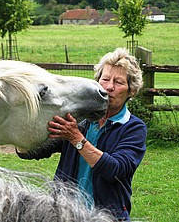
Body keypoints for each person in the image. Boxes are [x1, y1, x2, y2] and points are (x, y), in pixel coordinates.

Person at [16, 48, 147, 221]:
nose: (109, 87)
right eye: (105, 79)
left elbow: (115, 170)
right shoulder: (81, 120)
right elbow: (36, 150)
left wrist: (76, 138)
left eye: (119, 82)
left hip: (107, 217)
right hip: (63, 214)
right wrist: (19, 131)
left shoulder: (133, 128)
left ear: (131, 91)